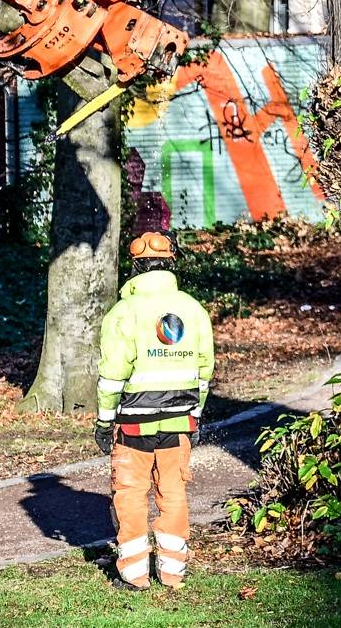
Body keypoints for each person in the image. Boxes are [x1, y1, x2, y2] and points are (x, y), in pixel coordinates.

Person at [97, 231, 214, 592]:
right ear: (171, 264)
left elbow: (112, 376)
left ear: (135, 267)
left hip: (134, 425)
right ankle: (173, 572)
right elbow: (204, 371)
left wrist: (104, 422)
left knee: (131, 494)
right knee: (173, 493)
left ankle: (135, 576)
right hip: (180, 420)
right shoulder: (193, 309)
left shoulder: (123, 313)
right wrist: (195, 414)